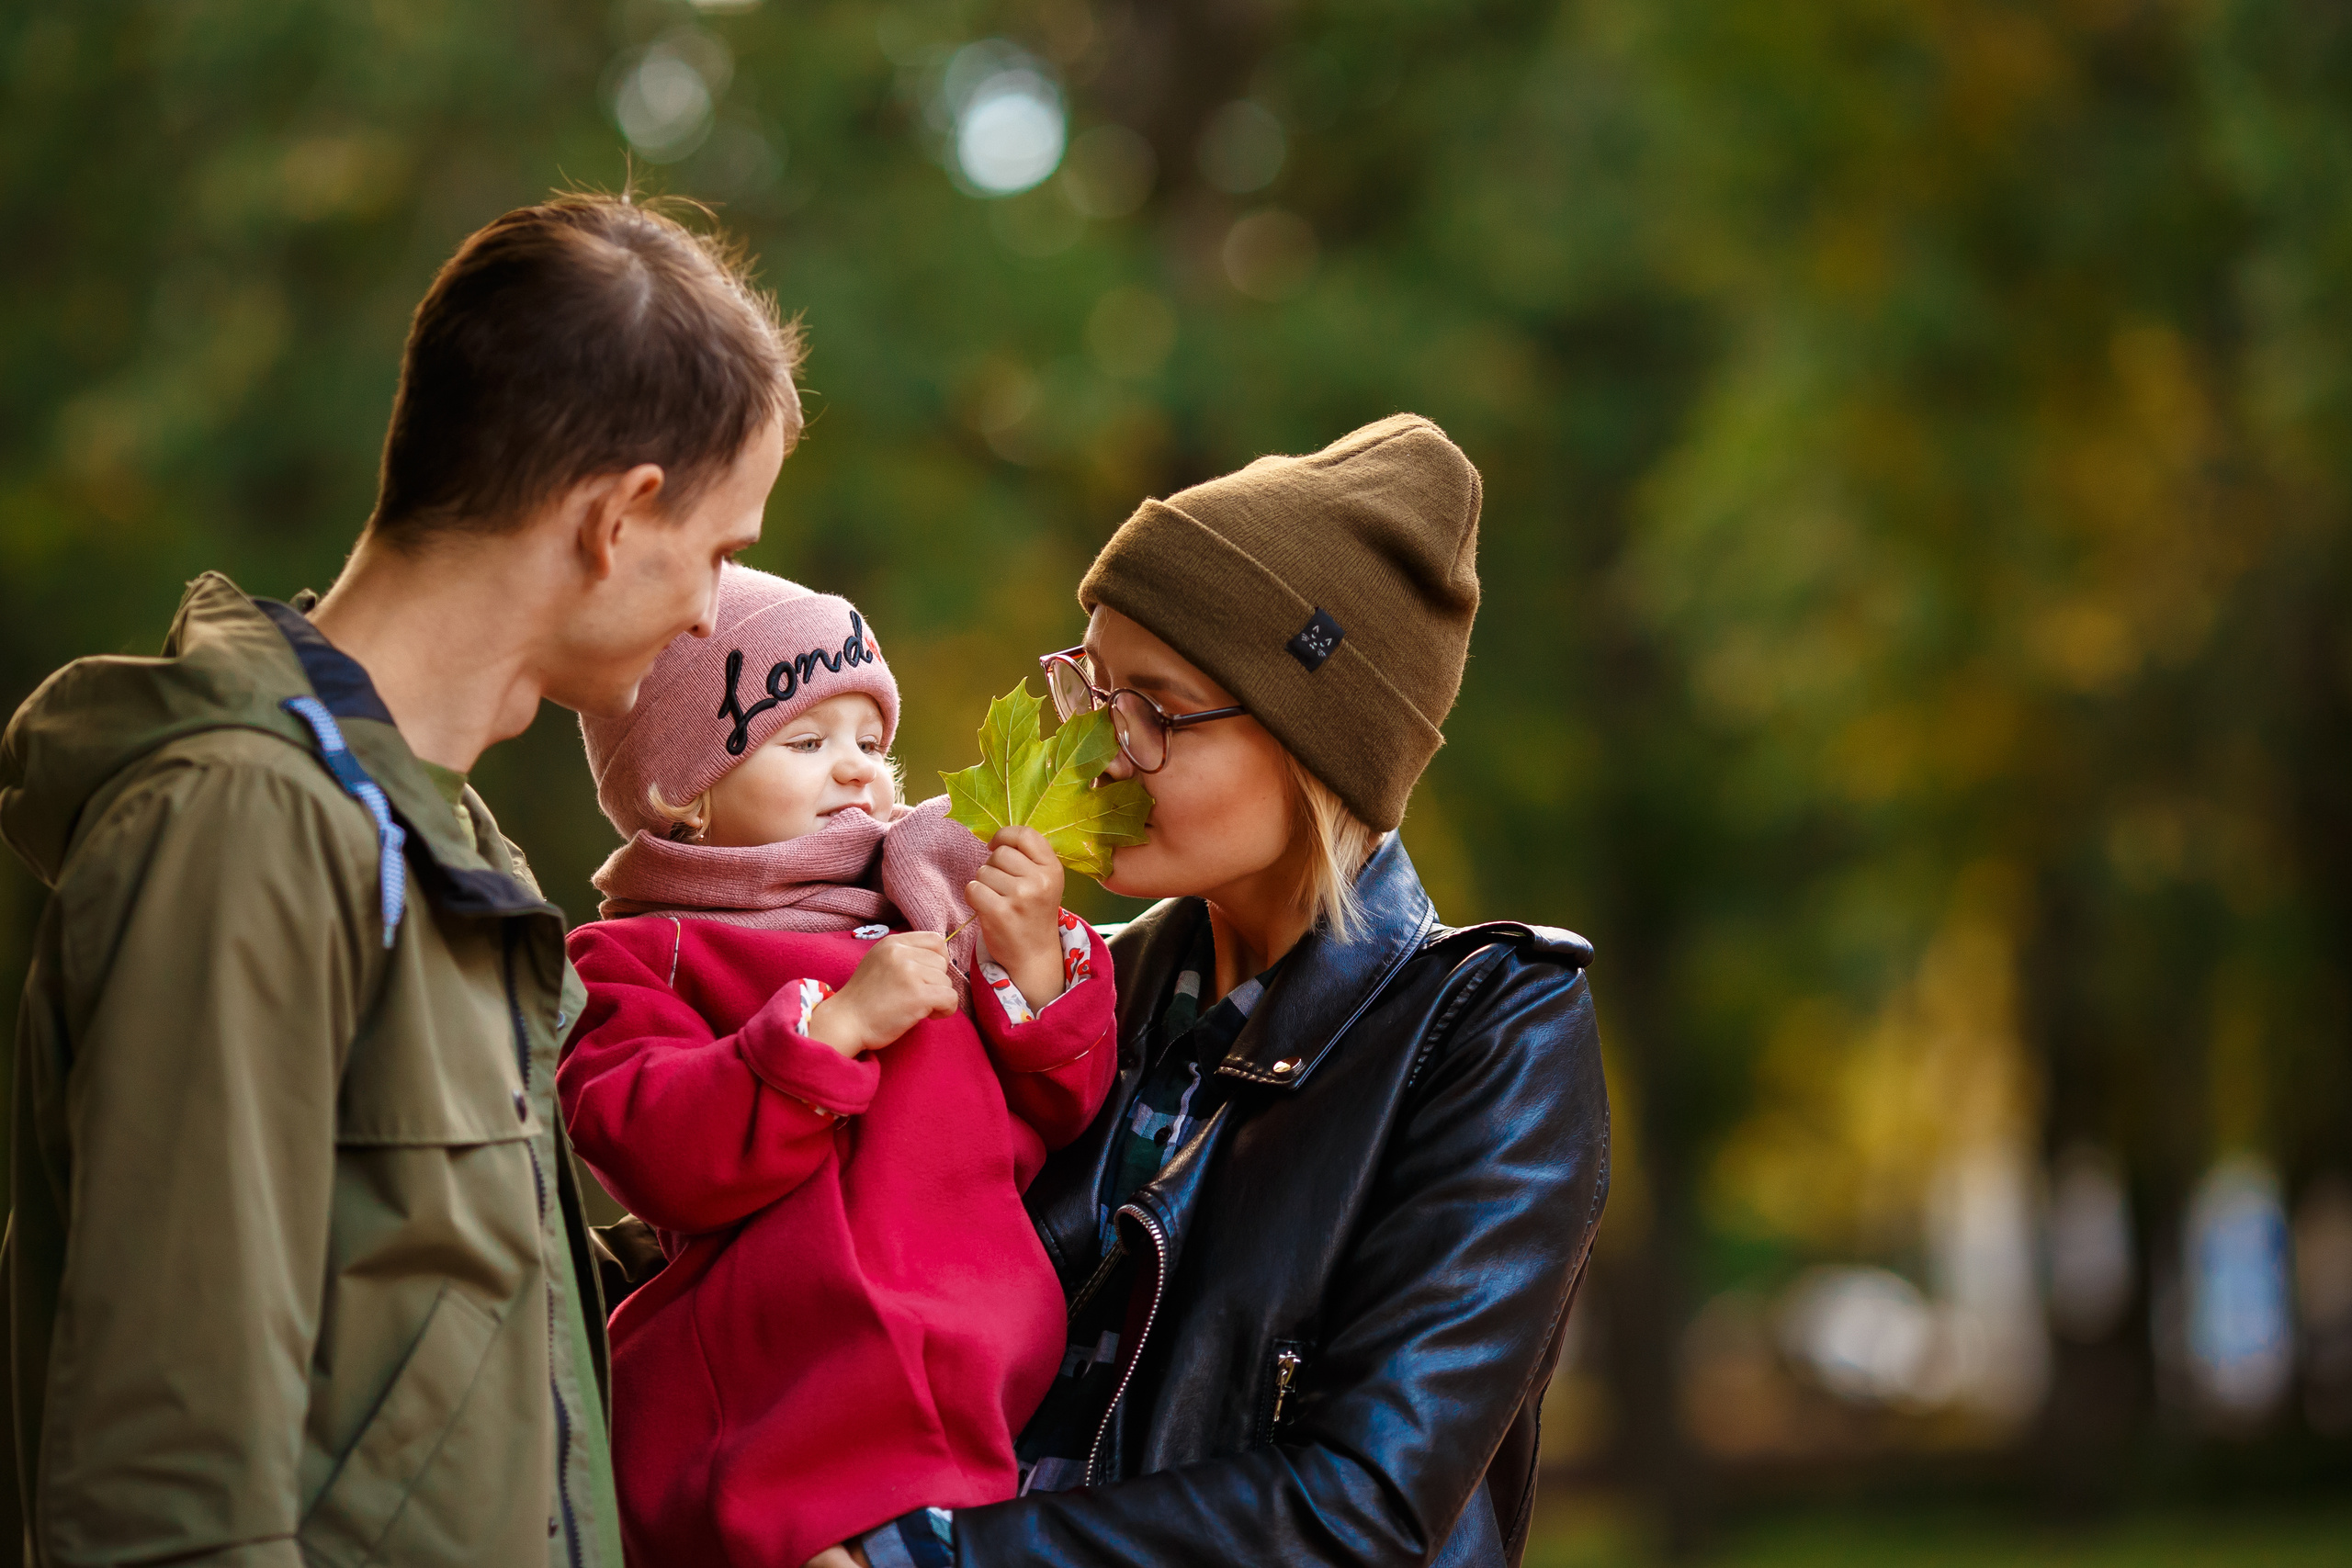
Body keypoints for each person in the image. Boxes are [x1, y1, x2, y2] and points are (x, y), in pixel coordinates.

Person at [0, 193, 802, 1566]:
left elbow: (448, 1361)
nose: (712, 614)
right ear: (619, 517)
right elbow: (166, 1488)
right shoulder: (248, 827)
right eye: (723, 552)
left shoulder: (450, 845)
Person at [840, 413, 1610, 1568]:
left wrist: (936, 1558)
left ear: (1314, 746)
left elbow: (1361, 1509)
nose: (1095, 749)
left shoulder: (1489, 1033)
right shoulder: (1063, 993)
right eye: (1090, 686)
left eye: (1152, 708)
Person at [557, 565, 1120, 1566]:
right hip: (779, 1394)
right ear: (679, 796)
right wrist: (829, 1034)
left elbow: (1063, 1105)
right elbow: (647, 1146)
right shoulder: (649, 950)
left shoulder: (935, 896)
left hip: (974, 1367)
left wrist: (1034, 956)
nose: (857, 770)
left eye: (871, 741)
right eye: (808, 742)